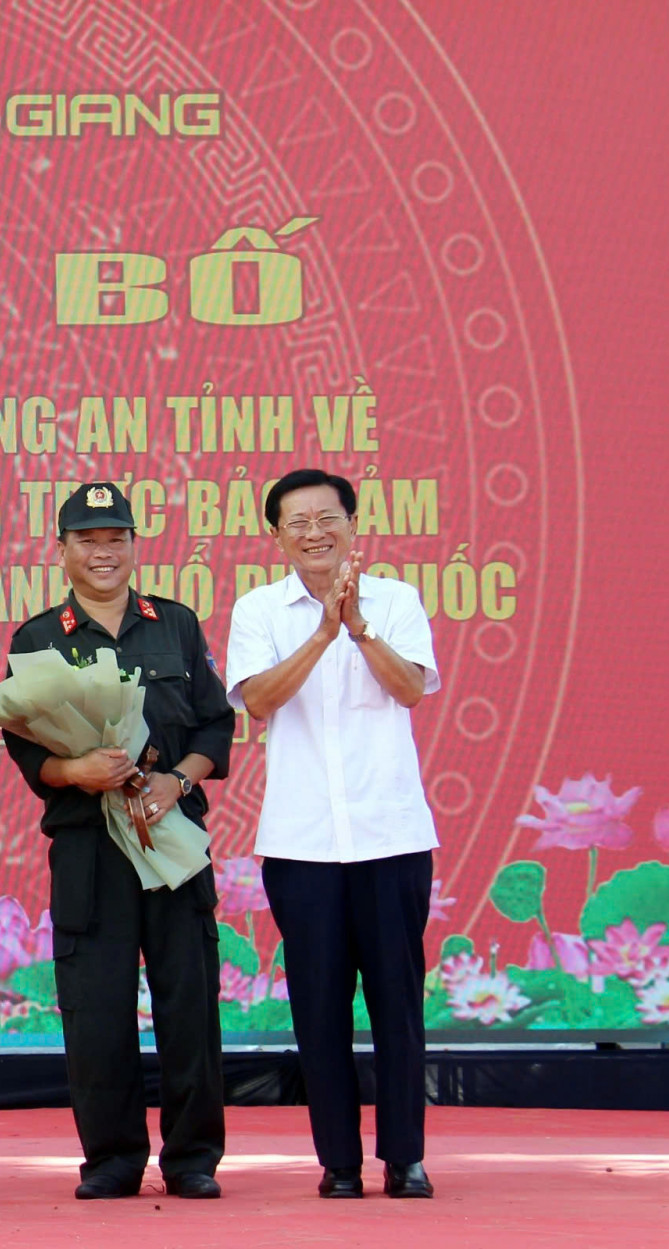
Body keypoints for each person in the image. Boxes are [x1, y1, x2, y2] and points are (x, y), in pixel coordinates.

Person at [0, 481, 231, 1201]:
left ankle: (193, 1157)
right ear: (62, 549)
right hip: (88, 847)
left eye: (117, 538)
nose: (104, 552)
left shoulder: (177, 624)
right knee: (96, 1008)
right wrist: (77, 768)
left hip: (169, 838)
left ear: (134, 545)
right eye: (88, 540)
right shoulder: (37, 637)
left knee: (188, 1001)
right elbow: (26, 750)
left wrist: (178, 783)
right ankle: (112, 1156)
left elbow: (213, 727)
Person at [225, 468, 440, 1201]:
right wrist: (322, 633)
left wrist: (359, 628)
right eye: (297, 522)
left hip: (392, 836)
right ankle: (339, 1161)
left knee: (397, 1003)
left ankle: (405, 1157)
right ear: (276, 536)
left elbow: (410, 687)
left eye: (327, 517)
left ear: (354, 522)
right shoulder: (258, 610)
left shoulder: (397, 600)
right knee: (318, 1006)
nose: (315, 532)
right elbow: (258, 700)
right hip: (302, 843)